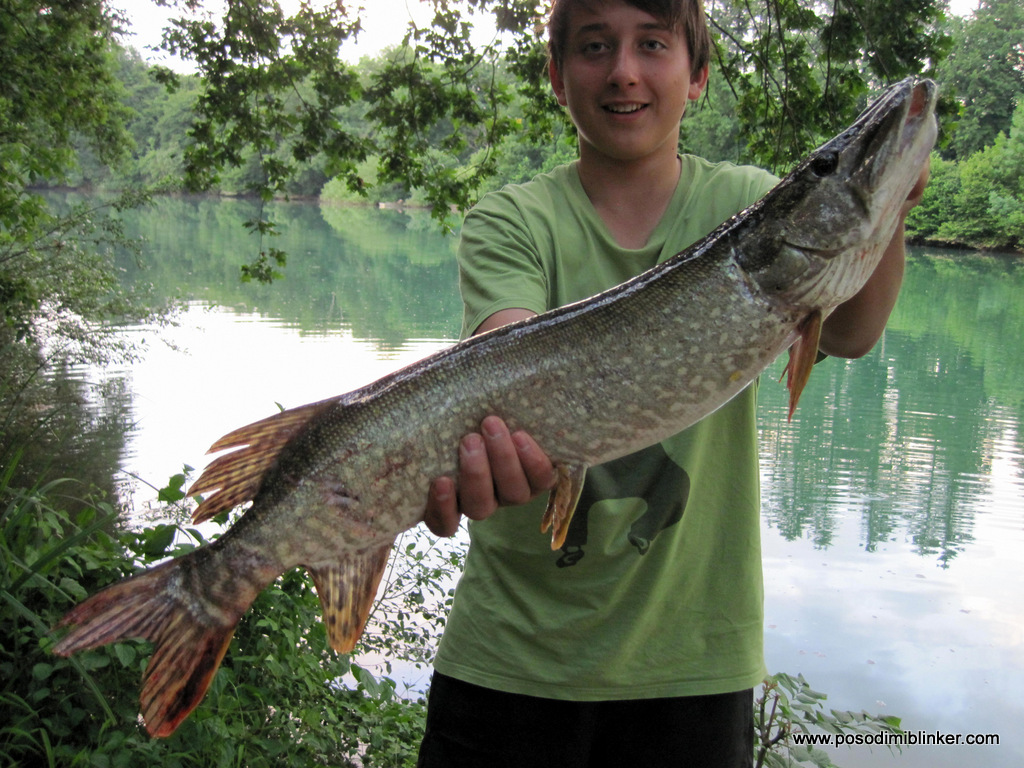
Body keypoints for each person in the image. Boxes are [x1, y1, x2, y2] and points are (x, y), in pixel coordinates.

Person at [416, 1, 929, 766]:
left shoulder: (747, 206)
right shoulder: (513, 219)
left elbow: (850, 333)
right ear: (557, 77)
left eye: (653, 44)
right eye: (596, 46)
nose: (624, 71)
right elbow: (507, 362)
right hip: (510, 662)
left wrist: (888, 206)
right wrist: (501, 437)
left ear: (698, 76)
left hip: (694, 667)